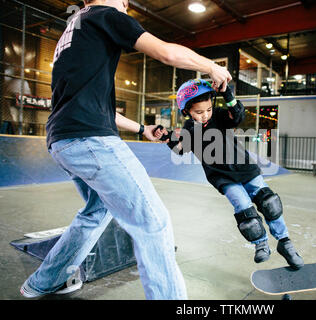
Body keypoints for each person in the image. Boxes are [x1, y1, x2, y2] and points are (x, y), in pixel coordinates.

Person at [20, 0, 231, 300]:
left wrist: (142, 129)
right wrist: (210, 66)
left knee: (95, 212)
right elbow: (166, 52)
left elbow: (97, 108)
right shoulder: (104, 14)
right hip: (91, 141)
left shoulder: (73, 30)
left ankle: (43, 282)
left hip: (62, 140)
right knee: (152, 220)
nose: (127, 4)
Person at [155, 79, 304, 269]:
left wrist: (227, 94)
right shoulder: (189, 129)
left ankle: (285, 243)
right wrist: (167, 138)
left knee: (269, 203)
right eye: (199, 112)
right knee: (244, 210)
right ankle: (261, 243)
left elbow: (237, 116)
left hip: (245, 169)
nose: (205, 115)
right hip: (223, 178)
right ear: (187, 112)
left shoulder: (218, 115)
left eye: (208, 109)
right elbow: (181, 149)